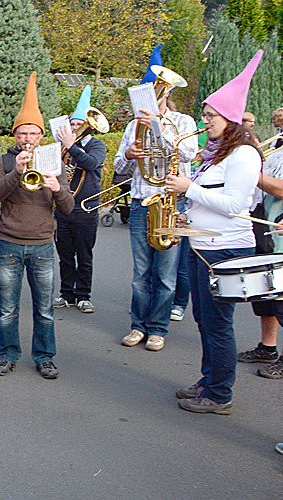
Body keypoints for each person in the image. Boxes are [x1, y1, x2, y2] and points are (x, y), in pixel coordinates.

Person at [168, 50, 264, 415]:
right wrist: (186, 217)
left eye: (210, 116)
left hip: (225, 250)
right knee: (203, 320)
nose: (204, 120)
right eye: (205, 114)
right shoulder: (217, 154)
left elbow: (234, 205)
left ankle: (220, 394)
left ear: (231, 120)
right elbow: (210, 201)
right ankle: (208, 380)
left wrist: (187, 190)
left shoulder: (244, 156)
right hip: (202, 244)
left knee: (218, 324)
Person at [0, 72, 74, 380]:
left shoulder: (53, 160)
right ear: (15, 136)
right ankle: (8, 355)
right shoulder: (5, 162)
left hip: (43, 246)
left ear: (41, 136)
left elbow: (68, 207)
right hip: (10, 243)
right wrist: (16, 173)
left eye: (33, 134)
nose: (27, 139)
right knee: (8, 308)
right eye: (22, 133)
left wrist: (56, 186)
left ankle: (44, 357)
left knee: (45, 309)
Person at [114, 56, 198, 352]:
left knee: (166, 272)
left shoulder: (183, 121)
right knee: (140, 273)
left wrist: (161, 125)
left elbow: (188, 154)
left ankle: (158, 329)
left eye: (159, 89)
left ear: (167, 93)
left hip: (172, 203)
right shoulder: (131, 126)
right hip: (141, 203)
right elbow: (119, 169)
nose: (154, 94)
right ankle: (138, 326)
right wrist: (129, 155)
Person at [53, 85, 106, 314]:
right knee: (64, 254)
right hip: (63, 208)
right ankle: (67, 293)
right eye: (72, 124)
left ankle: (84, 294)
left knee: (84, 254)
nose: (75, 128)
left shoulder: (96, 144)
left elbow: (91, 164)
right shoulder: (62, 148)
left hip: (86, 208)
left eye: (79, 124)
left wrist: (71, 147)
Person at [235, 143, 283, 378]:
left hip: (280, 230)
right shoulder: (278, 149)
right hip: (265, 222)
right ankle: (268, 347)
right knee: (266, 292)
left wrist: (249, 173)